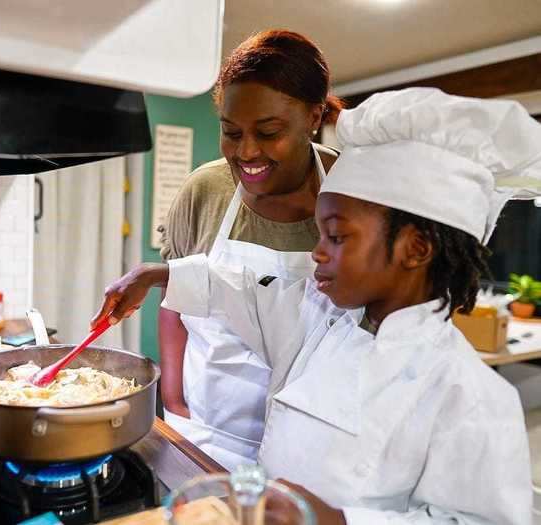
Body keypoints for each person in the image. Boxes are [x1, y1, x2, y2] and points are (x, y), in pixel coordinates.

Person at [94, 88, 540, 523]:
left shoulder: (471, 395)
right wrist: (157, 274)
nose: (317, 253)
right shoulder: (320, 319)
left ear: (416, 248)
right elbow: (245, 290)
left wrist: (339, 519)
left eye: (337, 236)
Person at [157, 29, 342, 469]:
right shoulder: (205, 190)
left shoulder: (351, 191)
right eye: (231, 132)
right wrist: (172, 397)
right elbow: (175, 304)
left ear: (313, 116)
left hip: (314, 446)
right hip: (205, 429)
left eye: (269, 131)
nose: (247, 151)